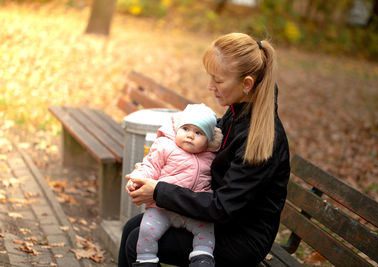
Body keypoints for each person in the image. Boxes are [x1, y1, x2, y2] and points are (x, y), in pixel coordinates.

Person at [118, 32, 290, 267]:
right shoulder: (237, 111)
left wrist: (159, 191)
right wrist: (155, 170)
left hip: (240, 237)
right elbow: (198, 147)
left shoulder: (261, 138)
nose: (211, 87)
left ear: (247, 84)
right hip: (217, 217)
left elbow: (223, 207)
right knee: (132, 228)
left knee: (136, 240)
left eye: (218, 81)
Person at [126, 103, 223, 267]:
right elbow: (150, 166)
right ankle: (146, 259)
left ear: (208, 140)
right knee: (147, 229)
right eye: (185, 129)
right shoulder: (165, 146)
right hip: (163, 208)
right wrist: (136, 179)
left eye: (198, 132)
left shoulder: (211, 156)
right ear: (177, 128)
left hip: (194, 211)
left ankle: (202, 257)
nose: (190, 135)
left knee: (206, 230)